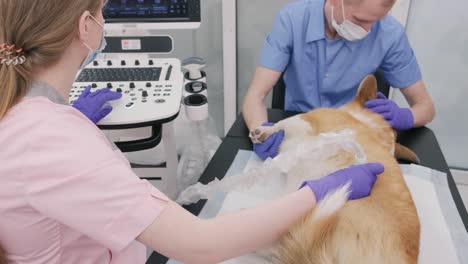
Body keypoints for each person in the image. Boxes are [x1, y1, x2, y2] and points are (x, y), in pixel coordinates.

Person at [0, 0, 385, 263]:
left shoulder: (24, 113)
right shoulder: (49, 139)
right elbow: (200, 244)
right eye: (101, 11)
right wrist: (319, 191)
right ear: (86, 26)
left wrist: (71, 118)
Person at [243, 0, 436, 160]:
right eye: (360, 20)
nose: (368, 30)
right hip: (298, 128)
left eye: (376, 20)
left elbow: (426, 107)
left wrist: (406, 116)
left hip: (352, 137)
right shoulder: (292, 20)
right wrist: (261, 132)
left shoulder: (390, 35)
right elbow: (255, 96)